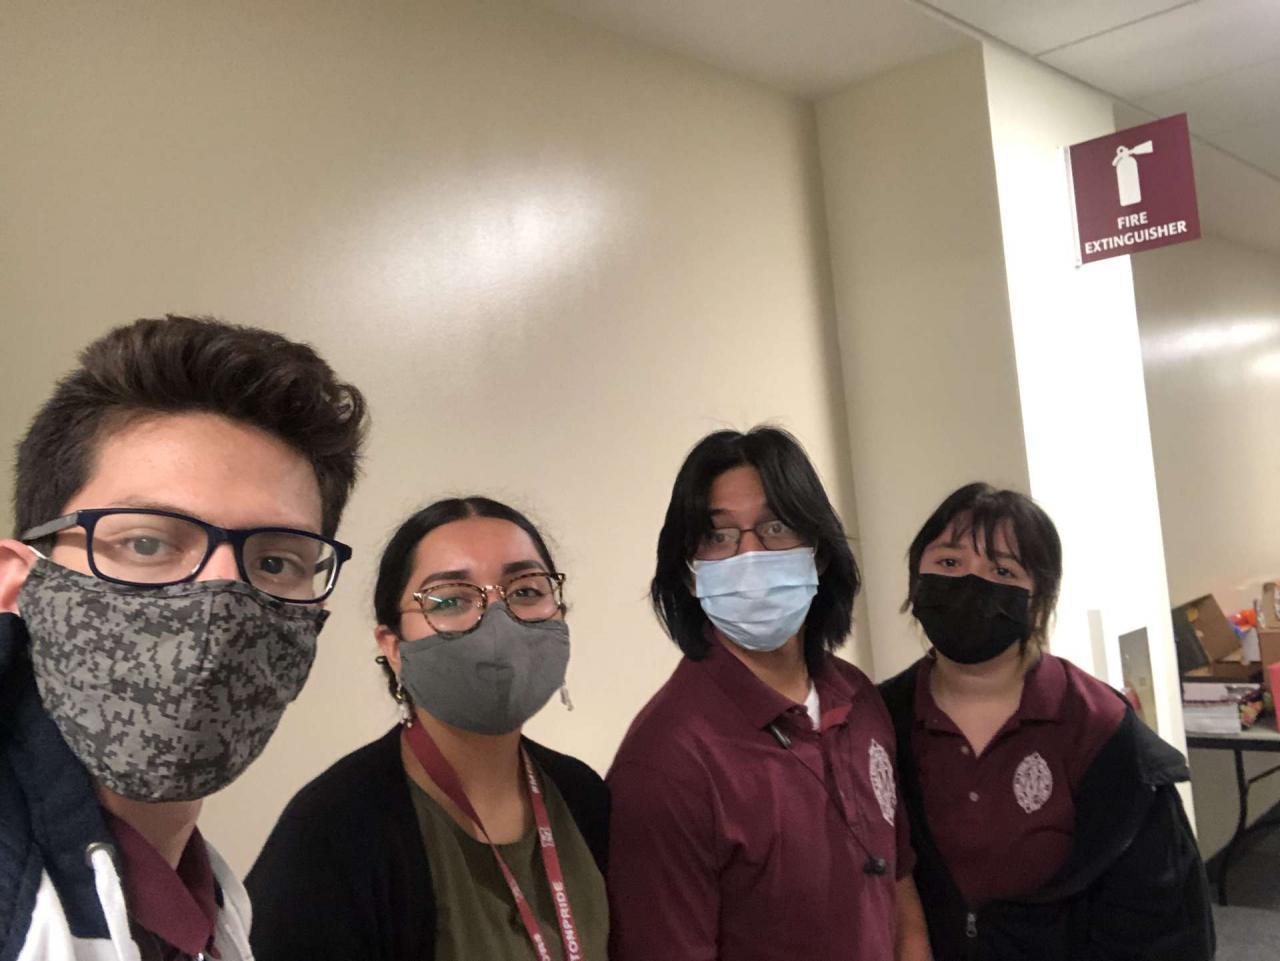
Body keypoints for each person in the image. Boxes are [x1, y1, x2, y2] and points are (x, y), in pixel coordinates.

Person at [0, 315, 366, 960]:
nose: (221, 601)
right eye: (146, 543)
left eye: (274, 561)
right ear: (17, 583)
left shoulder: (208, 899)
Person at [608, 426, 930, 961]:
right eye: (718, 537)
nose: (749, 556)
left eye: (776, 528)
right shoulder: (666, 762)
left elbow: (898, 890)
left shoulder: (857, 698)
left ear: (818, 553)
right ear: (689, 574)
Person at [247, 496, 610, 960]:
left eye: (524, 591)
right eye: (450, 600)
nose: (497, 622)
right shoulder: (334, 832)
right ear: (393, 647)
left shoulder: (583, 796)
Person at [879, 482, 1214, 961]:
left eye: (1002, 570)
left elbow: (1161, 917)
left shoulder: (1098, 727)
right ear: (916, 578)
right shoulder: (880, 719)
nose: (971, 583)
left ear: (1038, 598)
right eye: (949, 562)